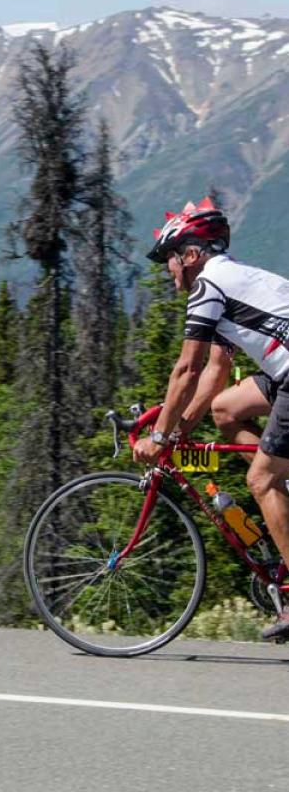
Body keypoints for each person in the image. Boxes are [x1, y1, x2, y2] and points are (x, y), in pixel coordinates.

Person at [132, 197, 289, 641]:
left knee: (260, 480)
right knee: (226, 410)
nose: (169, 269)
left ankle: (276, 481)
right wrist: (180, 430)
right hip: (282, 371)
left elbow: (187, 369)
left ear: (193, 254)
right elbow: (216, 377)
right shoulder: (229, 281)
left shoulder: (209, 287)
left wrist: (161, 436)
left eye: (171, 258)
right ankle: (285, 479)